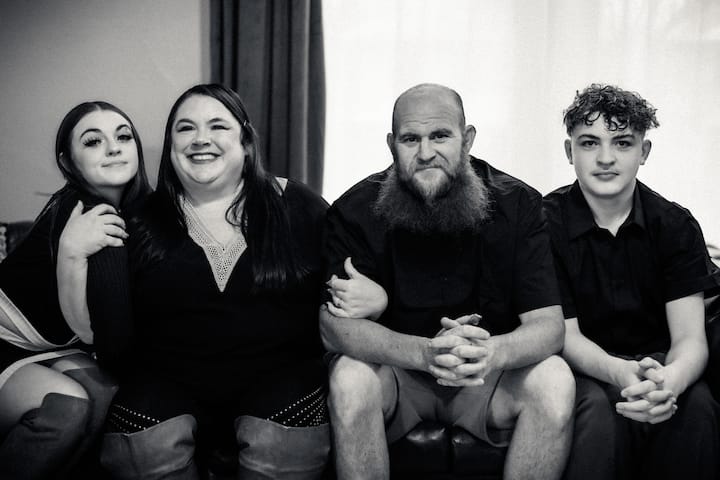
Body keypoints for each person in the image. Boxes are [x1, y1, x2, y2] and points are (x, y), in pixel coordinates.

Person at [59, 84, 331, 479]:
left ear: (246, 142)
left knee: (281, 440)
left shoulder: (298, 204)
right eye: (185, 128)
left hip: (280, 381)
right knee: (145, 441)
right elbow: (107, 339)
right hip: (165, 385)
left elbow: (343, 281)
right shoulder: (136, 221)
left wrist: (366, 295)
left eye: (217, 126)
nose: (200, 138)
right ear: (171, 148)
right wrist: (72, 254)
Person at [321, 83, 575, 479]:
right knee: (350, 378)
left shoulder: (518, 204)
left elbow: (549, 327)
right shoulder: (354, 211)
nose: (425, 153)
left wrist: (491, 352)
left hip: (488, 379)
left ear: (467, 139)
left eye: (440, 136)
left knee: (555, 379)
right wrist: (424, 353)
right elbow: (333, 329)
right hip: (398, 376)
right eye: (410, 139)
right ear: (391, 145)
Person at [544, 83, 720, 480]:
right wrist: (617, 372)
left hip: (659, 364)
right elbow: (563, 335)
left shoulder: (674, 225)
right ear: (570, 151)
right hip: (580, 369)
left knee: (698, 407)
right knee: (594, 414)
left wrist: (669, 382)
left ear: (644, 152)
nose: (606, 158)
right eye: (590, 143)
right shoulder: (544, 224)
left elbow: (690, 339)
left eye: (622, 143)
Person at [0, 101, 150, 478]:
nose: (113, 148)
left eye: (123, 137)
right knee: (66, 408)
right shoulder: (83, 209)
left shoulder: (136, 213)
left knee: (103, 392)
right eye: (93, 141)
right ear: (68, 163)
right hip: (3, 341)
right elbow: (92, 333)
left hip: (44, 347)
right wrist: (70, 252)